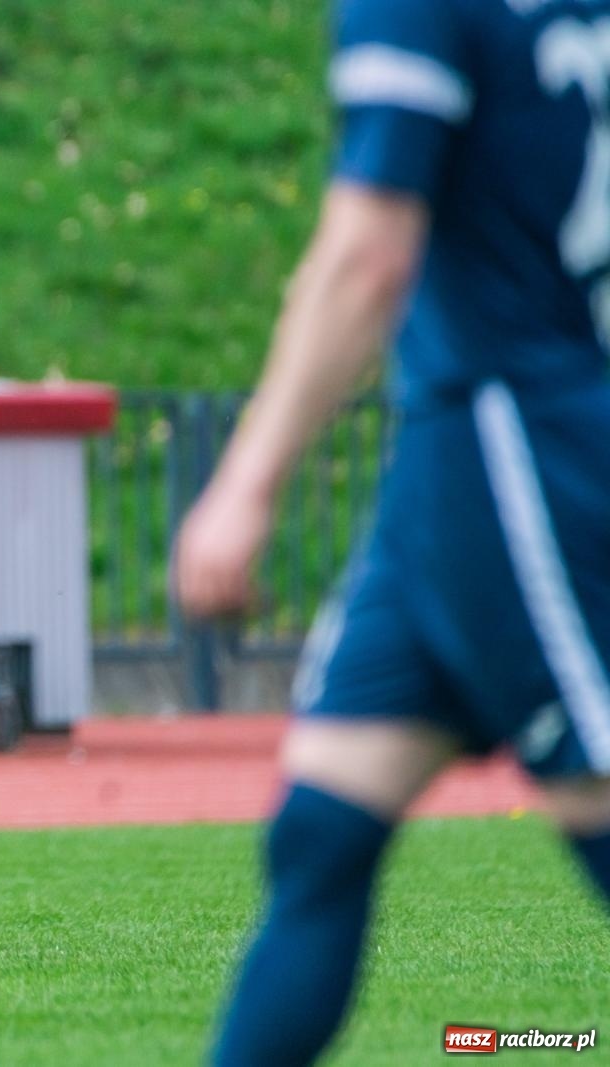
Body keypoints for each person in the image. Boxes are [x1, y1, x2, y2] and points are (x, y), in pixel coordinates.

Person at [172, 0, 610, 1061]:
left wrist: (245, 482)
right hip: (457, 460)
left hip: (515, 442)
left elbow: (367, 252)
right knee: (320, 831)